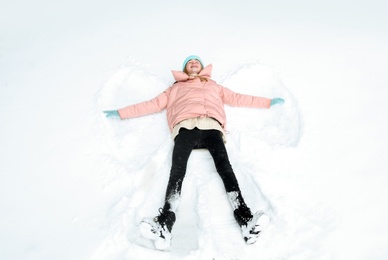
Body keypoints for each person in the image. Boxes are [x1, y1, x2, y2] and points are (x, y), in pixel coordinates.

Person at [103, 55, 285, 250]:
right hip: (185, 129)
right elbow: (151, 104)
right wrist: (121, 113)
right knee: (177, 171)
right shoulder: (175, 88)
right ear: (185, 68)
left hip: (211, 128)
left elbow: (238, 98)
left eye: (196, 61)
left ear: (202, 67)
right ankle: (165, 223)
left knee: (226, 169)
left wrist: (268, 102)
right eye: (190, 62)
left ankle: (246, 220)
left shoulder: (213, 86)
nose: (193, 63)